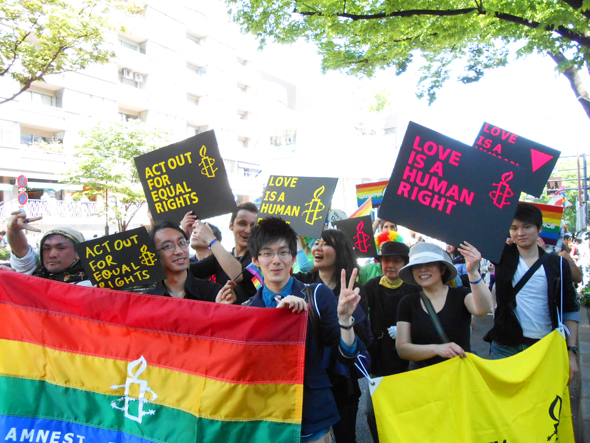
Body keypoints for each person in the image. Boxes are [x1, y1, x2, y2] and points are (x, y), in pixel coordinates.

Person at [243, 217, 364, 443]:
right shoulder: (248, 310)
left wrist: (345, 320)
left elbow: (346, 354)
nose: (276, 260)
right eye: (267, 253)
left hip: (312, 417)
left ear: (293, 257)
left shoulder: (317, 294)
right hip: (266, 420)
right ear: (255, 260)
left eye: (283, 252)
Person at [485, 202, 579, 381]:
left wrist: (571, 352)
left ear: (539, 229)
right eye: (514, 228)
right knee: (504, 405)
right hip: (505, 346)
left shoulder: (557, 265)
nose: (520, 233)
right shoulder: (502, 255)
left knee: (542, 404)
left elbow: (570, 309)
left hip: (544, 347)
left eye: (526, 227)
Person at [293, 229, 371, 443]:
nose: (317, 247)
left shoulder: (354, 291)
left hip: (342, 382)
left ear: (340, 252)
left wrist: (345, 317)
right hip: (309, 381)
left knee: (345, 437)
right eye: (316, 243)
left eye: (326, 244)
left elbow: (362, 340)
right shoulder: (300, 284)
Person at [396, 242, 493, 369]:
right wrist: (437, 349)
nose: (423, 269)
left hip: (459, 374)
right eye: (417, 265)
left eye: (429, 263)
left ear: (442, 269)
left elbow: (483, 309)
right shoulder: (407, 303)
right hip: (424, 378)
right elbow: (402, 348)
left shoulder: (461, 295)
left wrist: (473, 272)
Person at [362, 241, 421, 442]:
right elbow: (360, 314)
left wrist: (407, 330)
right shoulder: (371, 286)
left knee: (407, 409)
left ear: (405, 263)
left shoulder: (414, 288)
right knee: (374, 412)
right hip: (379, 360)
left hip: (409, 360)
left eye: (396, 261)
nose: (390, 265)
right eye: (386, 260)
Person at [183, 202, 258, 302]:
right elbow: (186, 272)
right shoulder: (218, 258)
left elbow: (238, 275)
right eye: (242, 224)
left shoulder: (259, 259)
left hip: (249, 315)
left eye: (253, 226)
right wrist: (183, 239)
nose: (248, 230)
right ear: (231, 225)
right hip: (223, 315)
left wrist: (210, 239)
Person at [147, 221, 236, 303]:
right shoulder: (148, 299)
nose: (179, 251)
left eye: (182, 243)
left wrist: (220, 310)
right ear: (155, 254)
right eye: (168, 246)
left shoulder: (213, 292)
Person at [6, 210, 90, 285]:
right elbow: (20, 249)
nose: (52, 255)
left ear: (78, 252)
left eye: (61, 248)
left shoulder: (93, 286)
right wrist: (14, 231)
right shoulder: (35, 273)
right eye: (47, 248)